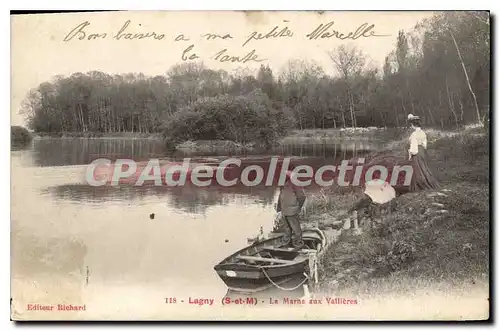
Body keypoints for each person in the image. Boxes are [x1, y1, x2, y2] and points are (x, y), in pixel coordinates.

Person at [407, 114, 439, 191]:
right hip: (422, 151)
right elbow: (425, 145)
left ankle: (420, 185)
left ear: (413, 125)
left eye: (411, 125)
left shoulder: (414, 134)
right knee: (424, 169)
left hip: (416, 152)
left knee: (418, 170)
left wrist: (410, 154)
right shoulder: (423, 133)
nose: (411, 127)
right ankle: (429, 182)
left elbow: (414, 148)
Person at [276, 171, 306, 249]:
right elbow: (280, 197)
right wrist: (279, 209)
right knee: (286, 228)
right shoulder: (282, 185)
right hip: (284, 210)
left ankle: (298, 243)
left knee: (296, 228)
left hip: (292, 210)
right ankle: (285, 242)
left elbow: (302, 196)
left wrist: (298, 207)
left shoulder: (295, 184)